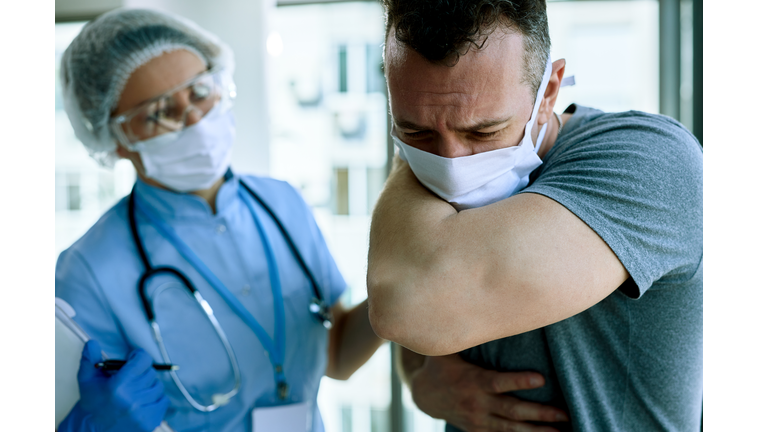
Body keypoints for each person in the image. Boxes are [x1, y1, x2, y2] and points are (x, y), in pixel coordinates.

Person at [366, 1, 702, 431]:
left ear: (548, 92)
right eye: (416, 131)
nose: (451, 161)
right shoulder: (432, 169)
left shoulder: (651, 160)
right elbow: (409, 320)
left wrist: (404, 161)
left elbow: (409, 305)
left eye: (483, 131)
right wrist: (420, 383)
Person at [55, 8, 383, 432]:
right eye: (160, 112)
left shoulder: (281, 202)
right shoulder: (87, 271)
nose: (194, 119)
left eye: (199, 91)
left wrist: (392, 302)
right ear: (115, 138)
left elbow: (336, 354)